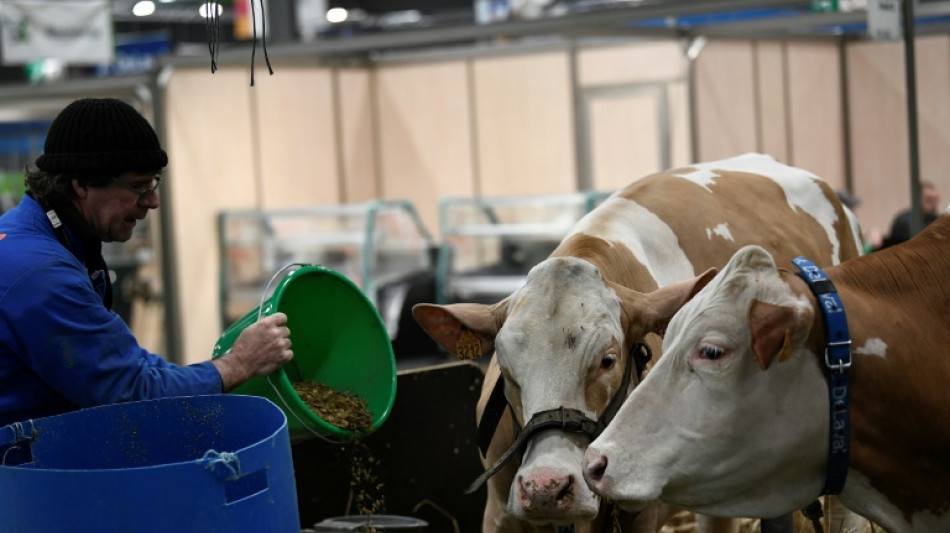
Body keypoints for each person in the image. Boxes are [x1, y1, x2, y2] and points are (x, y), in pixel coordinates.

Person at [0, 98, 293, 427]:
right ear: (80, 184)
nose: (152, 201)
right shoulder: (39, 275)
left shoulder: (39, 235)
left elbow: (128, 365)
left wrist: (209, 373)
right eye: (138, 186)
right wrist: (238, 364)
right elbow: (131, 393)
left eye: (154, 183)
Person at [880, 180, 941, 249]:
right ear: (917, 199)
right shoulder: (903, 221)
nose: (934, 205)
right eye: (929, 200)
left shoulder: (937, 221)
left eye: (936, 200)